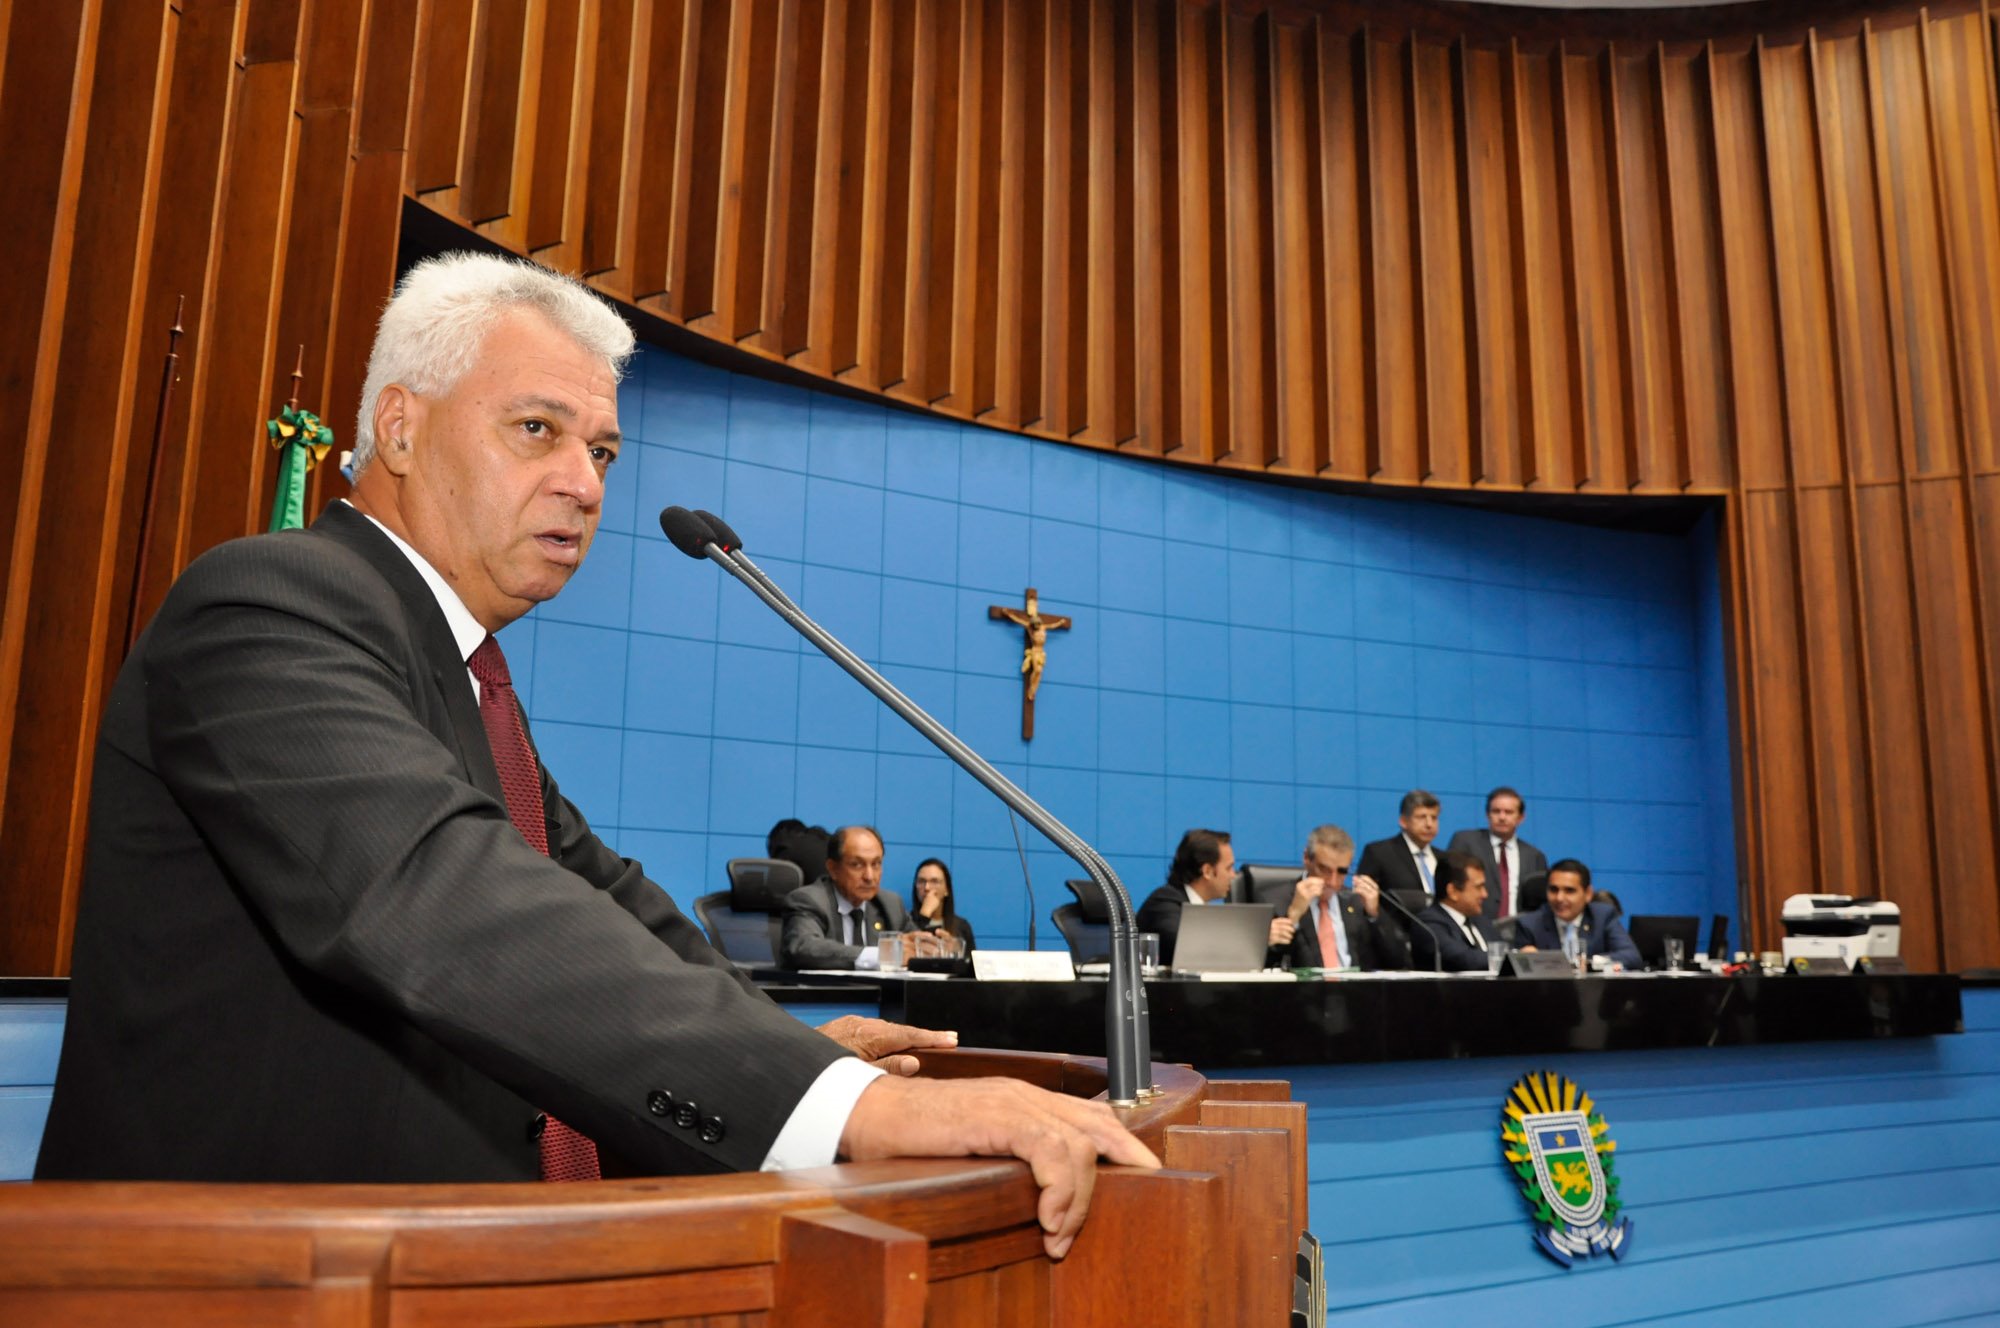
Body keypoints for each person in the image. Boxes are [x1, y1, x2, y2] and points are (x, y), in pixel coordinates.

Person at [34, 252, 1152, 1257]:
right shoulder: (268, 605)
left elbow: (606, 903)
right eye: (538, 430)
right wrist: (852, 1112)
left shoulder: (465, 677)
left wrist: (797, 1057)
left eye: (602, 449)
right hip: (236, 1281)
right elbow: (445, 901)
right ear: (401, 428)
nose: (586, 482)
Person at [1135, 830, 1294, 967]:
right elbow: (1190, 950)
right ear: (1207, 871)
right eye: (1228, 868)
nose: (1234, 875)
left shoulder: (1204, 911)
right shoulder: (1164, 902)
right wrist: (1256, 938)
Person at [779, 825, 916, 970]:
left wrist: (926, 946)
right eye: (857, 865)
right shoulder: (808, 900)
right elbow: (804, 946)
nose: (869, 876)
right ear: (833, 868)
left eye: (876, 864)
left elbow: (914, 945)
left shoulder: (890, 904)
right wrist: (883, 955)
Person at [1276, 825, 1409, 971]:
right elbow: (1270, 962)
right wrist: (1294, 915)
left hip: (1354, 985)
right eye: (1324, 869)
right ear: (1307, 858)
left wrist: (1374, 915)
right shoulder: (1276, 901)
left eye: (1341, 872)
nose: (1333, 882)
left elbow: (1399, 961)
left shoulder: (1356, 902)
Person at [1515, 859, 1643, 971]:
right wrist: (1527, 959)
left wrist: (1590, 963)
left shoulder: (1602, 917)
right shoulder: (1529, 924)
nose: (1559, 898)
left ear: (1588, 894)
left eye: (1569, 890)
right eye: (1554, 890)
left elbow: (1631, 956)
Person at [1444, 786, 1548, 920]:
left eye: (1508, 812)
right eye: (1496, 811)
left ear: (1521, 817)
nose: (1502, 817)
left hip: (1519, 927)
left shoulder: (1535, 856)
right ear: (1488, 815)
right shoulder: (1466, 842)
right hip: (1473, 924)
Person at [1409, 852, 1502, 972]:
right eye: (1478, 887)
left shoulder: (1482, 921)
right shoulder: (1428, 924)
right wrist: (1510, 959)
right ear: (1452, 891)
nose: (1485, 894)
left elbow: (1503, 950)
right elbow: (1464, 959)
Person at [1355, 790, 1445, 902]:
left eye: (1434, 818)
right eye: (1421, 817)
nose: (1429, 824)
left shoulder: (1443, 858)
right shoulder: (1379, 853)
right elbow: (1361, 898)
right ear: (1403, 821)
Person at [908, 857, 976, 953]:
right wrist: (924, 914)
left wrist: (955, 950)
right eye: (921, 881)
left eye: (934, 881)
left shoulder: (961, 926)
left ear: (946, 889)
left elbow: (971, 961)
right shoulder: (905, 922)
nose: (927, 887)